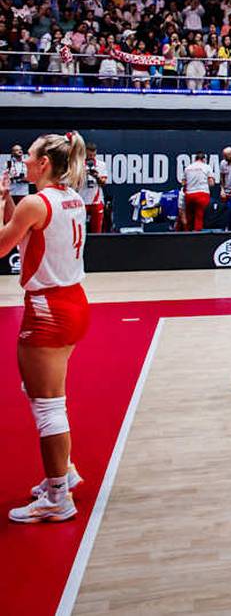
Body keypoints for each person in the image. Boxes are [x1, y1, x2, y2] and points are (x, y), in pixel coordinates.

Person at [0, 131, 90, 523]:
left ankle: (58, 495)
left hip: (48, 308)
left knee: (48, 405)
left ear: (44, 164)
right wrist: (7, 201)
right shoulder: (69, 196)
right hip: (73, 301)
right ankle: (63, 472)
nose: (26, 162)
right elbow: (23, 239)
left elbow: (3, 247)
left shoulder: (37, 203)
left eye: (31, 156)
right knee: (42, 395)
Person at [180, 152, 215, 231]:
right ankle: (197, 237)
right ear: (204, 159)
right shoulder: (207, 167)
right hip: (202, 194)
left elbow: (183, 183)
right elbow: (211, 183)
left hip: (189, 194)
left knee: (189, 216)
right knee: (199, 216)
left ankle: (186, 236)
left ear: (195, 159)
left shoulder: (188, 168)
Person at [80, 143, 108, 234]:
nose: (91, 157)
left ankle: (97, 247)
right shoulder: (78, 164)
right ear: (84, 153)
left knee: (97, 230)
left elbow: (103, 183)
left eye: (93, 155)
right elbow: (72, 182)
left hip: (96, 201)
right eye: (89, 155)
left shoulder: (101, 165)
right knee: (80, 228)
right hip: (81, 200)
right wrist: (83, 174)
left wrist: (96, 176)